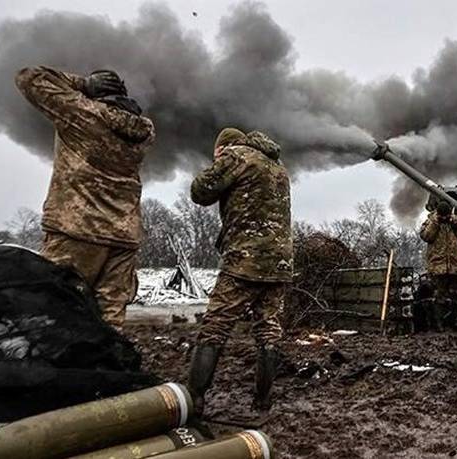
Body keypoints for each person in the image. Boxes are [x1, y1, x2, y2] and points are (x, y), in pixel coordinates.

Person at [15, 66, 155, 328]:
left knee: (57, 312)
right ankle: (107, 367)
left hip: (78, 230)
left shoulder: (83, 114)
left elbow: (29, 77)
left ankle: (62, 368)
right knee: (110, 321)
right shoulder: (143, 132)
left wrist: (81, 84)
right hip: (124, 235)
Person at [187, 128, 293, 416]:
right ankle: (262, 402)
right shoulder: (278, 167)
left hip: (245, 260)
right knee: (269, 332)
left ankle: (193, 400)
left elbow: (200, 192)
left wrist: (221, 159)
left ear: (224, 146)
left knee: (215, 327)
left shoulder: (236, 156)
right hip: (279, 263)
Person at [419, 201, 457, 331]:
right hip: (438, 265)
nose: (445, 218)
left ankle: (456, 322)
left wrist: (455, 223)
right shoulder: (430, 221)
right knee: (438, 296)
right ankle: (438, 324)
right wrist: (436, 223)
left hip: (455, 264)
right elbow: (426, 236)